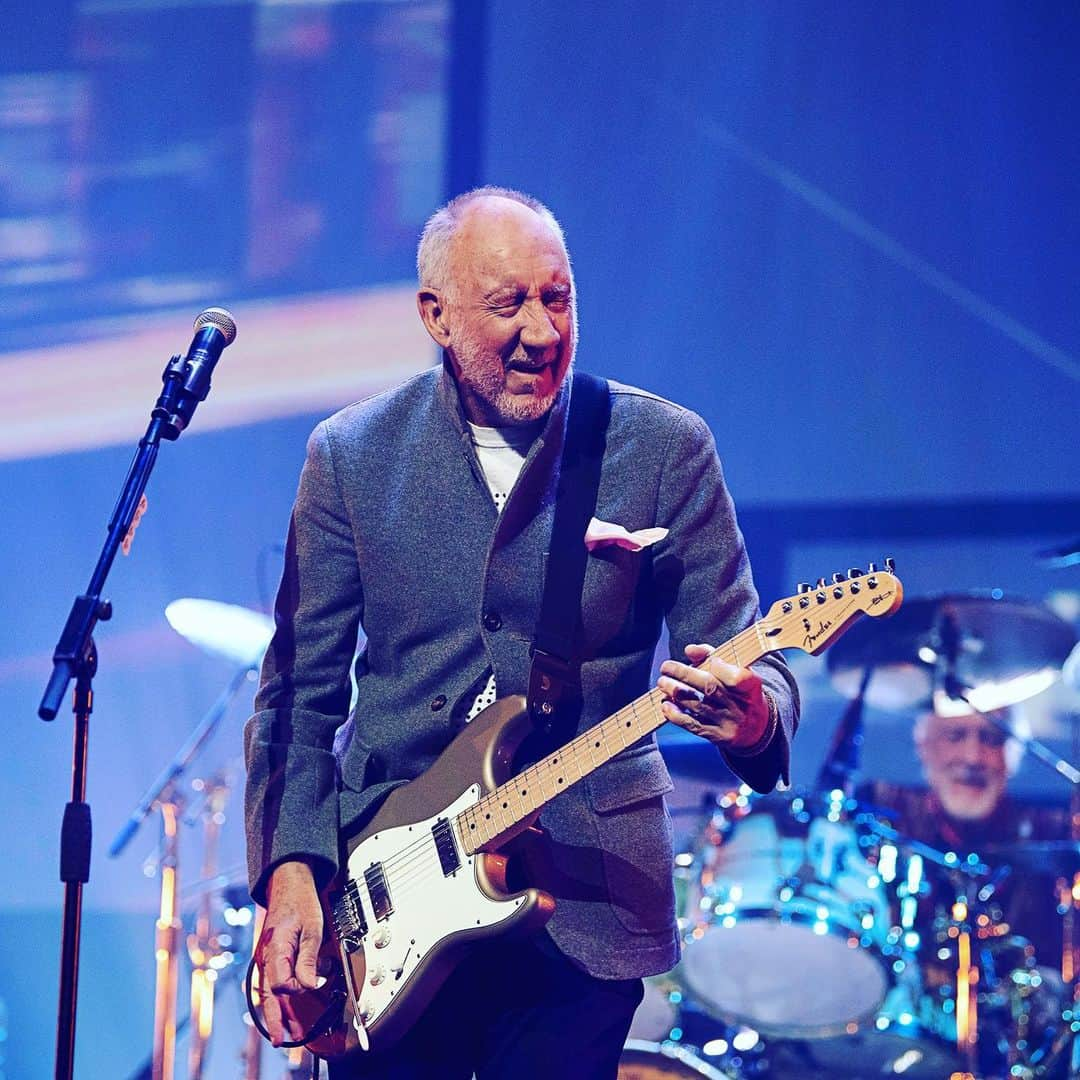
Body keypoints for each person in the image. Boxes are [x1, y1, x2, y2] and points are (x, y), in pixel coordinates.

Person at [244, 186, 799, 1079]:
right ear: (436, 314)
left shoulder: (662, 445)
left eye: (558, 297)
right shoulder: (351, 454)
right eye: (508, 304)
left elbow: (746, 646)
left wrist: (755, 717)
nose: (541, 331)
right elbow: (296, 700)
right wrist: (291, 870)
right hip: (386, 896)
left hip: (585, 902)